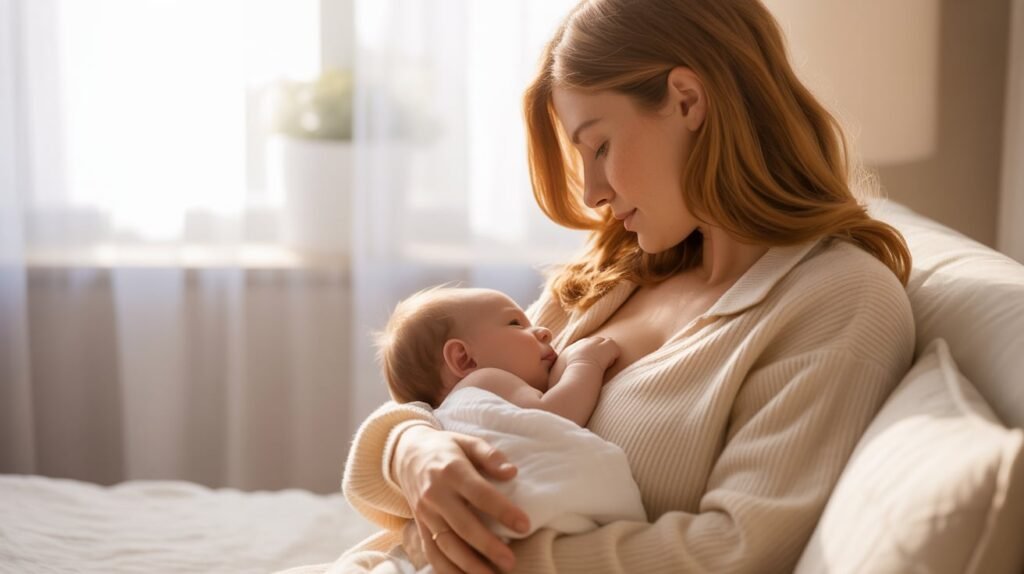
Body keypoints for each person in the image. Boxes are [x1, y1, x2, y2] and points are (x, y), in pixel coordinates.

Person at [324, 0, 916, 572]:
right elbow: (459, 401)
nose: (591, 195)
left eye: (600, 146)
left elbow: (740, 550)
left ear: (687, 100)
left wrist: (477, 554)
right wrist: (410, 450)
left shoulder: (837, 301)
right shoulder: (617, 274)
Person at [366, 285, 645, 569]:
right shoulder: (485, 381)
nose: (545, 332)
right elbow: (557, 413)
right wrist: (586, 362)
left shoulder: (457, 410)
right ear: (464, 359)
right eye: (516, 323)